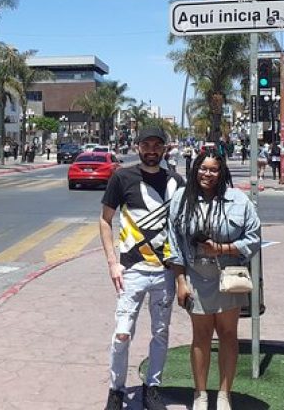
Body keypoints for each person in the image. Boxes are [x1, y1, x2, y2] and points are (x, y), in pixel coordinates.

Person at [166, 149, 261, 410]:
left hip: (228, 277)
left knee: (229, 335)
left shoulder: (238, 200)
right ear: (195, 169)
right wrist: (180, 281)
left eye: (214, 169)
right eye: (203, 168)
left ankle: (223, 395)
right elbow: (173, 243)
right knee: (201, 336)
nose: (207, 174)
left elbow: (253, 238)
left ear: (222, 173)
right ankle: (200, 394)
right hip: (196, 276)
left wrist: (222, 249)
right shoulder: (180, 200)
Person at [100, 127, 185, 410]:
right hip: (131, 272)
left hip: (165, 272)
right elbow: (105, 221)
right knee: (122, 333)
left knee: (160, 332)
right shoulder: (122, 177)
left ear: (165, 149)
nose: (151, 150)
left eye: (156, 145)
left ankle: (152, 388)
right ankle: (116, 390)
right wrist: (113, 263)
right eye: (146, 144)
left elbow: (184, 226)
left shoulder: (176, 181)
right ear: (138, 147)